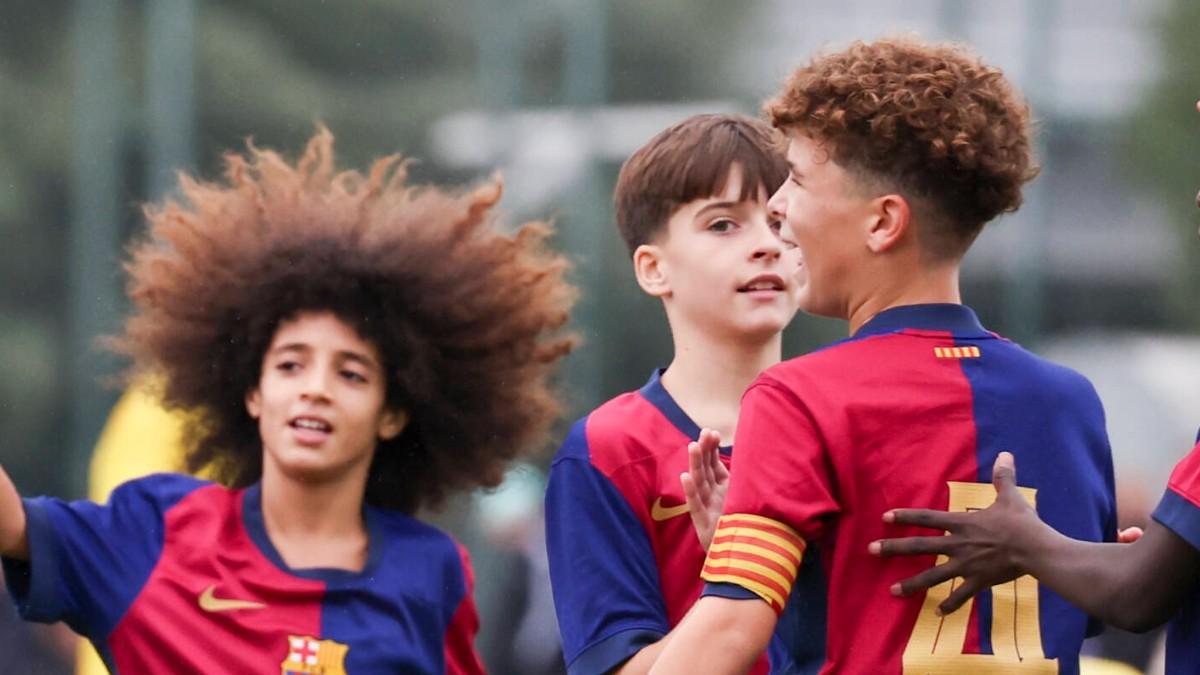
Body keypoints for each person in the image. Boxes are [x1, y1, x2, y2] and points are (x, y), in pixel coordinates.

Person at [0, 128, 576, 673]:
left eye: (351, 374)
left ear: (393, 414)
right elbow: (13, 524)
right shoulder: (155, 531)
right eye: (290, 364)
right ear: (253, 393)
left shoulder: (431, 574)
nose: (315, 388)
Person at [649, 37, 1117, 674]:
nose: (778, 206)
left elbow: (729, 632)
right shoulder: (1070, 402)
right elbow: (1078, 609)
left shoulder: (798, 397)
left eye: (798, 179)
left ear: (883, 223)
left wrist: (744, 564)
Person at [544, 114, 820, 675]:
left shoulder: (845, 425)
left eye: (778, 221)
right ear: (653, 269)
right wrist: (739, 575)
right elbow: (613, 665)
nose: (767, 245)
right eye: (724, 225)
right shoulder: (610, 449)